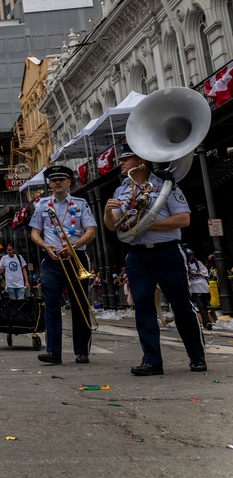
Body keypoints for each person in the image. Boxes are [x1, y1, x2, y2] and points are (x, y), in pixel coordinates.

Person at [104, 143, 206, 376]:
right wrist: (108, 212)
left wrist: (145, 225)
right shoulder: (121, 190)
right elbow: (114, 227)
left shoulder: (165, 185)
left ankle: (197, 356)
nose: (120, 163)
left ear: (141, 161)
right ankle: (151, 361)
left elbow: (183, 219)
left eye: (126, 158)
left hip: (167, 251)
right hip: (138, 255)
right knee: (143, 307)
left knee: (181, 305)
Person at [28, 165, 98, 365]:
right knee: (51, 305)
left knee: (80, 305)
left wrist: (73, 246)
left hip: (76, 259)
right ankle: (53, 351)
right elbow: (34, 233)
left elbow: (91, 231)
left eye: (62, 179)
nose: (58, 183)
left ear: (69, 182)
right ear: (49, 183)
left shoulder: (81, 203)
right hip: (52, 260)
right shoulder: (42, 204)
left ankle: (82, 351)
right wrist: (45, 246)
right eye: (54, 180)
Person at [185, 247, 214, 331]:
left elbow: (205, 272)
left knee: (204, 305)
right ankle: (206, 322)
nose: (189, 257)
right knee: (200, 305)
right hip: (193, 288)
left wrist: (194, 273)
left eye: (190, 255)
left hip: (202, 287)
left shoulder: (198, 263)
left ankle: (206, 321)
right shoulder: (184, 264)